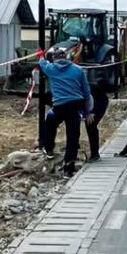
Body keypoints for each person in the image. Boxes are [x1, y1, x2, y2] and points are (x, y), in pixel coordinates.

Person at [37, 46, 93, 177]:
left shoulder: (51, 69)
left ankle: (49, 148)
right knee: (73, 136)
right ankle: (69, 167)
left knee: (50, 122)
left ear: (55, 59)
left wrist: (41, 55)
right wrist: (87, 112)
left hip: (59, 106)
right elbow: (86, 92)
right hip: (75, 105)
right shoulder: (78, 70)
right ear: (67, 58)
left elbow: (42, 64)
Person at [84, 83, 110, 162]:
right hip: (88, 102)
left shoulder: (85, 87)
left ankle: (95, 154)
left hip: (98, 101)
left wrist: (91, 112)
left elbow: (90, 99)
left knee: (91, 124)